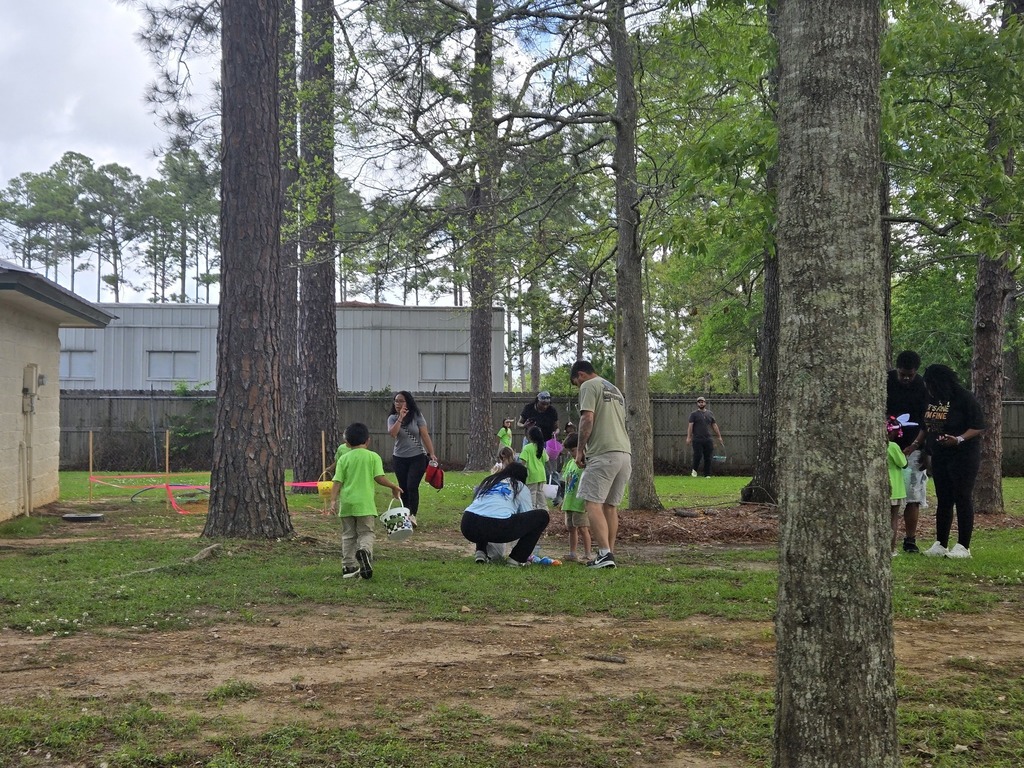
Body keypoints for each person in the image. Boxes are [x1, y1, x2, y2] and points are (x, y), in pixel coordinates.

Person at [569, 360, 631, 569]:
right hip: (624, 453)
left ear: (580, 375)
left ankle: (604, 554)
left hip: (603, 453)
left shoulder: (588, 386)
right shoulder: (614, 389)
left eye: (575, 382)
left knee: (591, 503)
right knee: (610, 507)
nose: (578, 386)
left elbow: (587, 418)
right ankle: (608, 553)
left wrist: (579, 450)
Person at [920, 364, 986, 559]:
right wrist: (923, 449)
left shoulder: (964, 397)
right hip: (940, 454)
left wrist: (958, 439)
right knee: (944, 499)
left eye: (931, 384)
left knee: (962, 497)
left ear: (941, 382)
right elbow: (927, 425)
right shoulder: (932, 399)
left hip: (963, 455)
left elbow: (978, 427)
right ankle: (941, 543)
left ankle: (963, 546)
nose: (929, 389)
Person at [330, 422, 402, 579]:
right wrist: (393, 486)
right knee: (366, 532)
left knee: (348, 535)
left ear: (347, 443)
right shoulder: (373, 457)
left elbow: (337, 481)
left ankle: (348, 566)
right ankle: (364, 551)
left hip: (347, 504)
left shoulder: (343, 458)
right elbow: (379, 478)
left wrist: (333, 501)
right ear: (368, 440)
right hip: (365, 505)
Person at [461, 463, 550, 568]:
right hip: (499, 526)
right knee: (542, 516)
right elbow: (527, 514)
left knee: (484, 512)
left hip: (468, 523)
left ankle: (481, 552)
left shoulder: (489, 481)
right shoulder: (520, 486)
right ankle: (517, 558)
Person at [886, 349, 929, 553]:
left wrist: (917, 446)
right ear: (897, 369)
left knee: (913, 496)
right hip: (887, 448)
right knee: (889, 496)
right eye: (902, 374)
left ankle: (910, 540)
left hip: (912, 448)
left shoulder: (921, 386)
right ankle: (885, 538)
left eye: (909, 375)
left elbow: (926, 421)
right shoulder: (885, 381)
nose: (905, 378)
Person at [387, 391, 438, 529]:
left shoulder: (417, 416)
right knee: (403, 487)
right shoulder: (392, 418)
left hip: (417, 457)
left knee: (412, 486)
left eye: (401, 401)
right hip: (399, 458)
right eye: (396, 401)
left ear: (408, 402)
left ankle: (412, 515)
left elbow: (425, 435)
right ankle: (405, 513)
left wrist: (431, 453)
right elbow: (393, 433)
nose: (398, 404)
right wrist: (400, 418)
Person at [557, 433, 591, 562]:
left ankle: (588, 553)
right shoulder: (571, 463)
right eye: (569, 451)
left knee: (583, 528)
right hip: (569, 502)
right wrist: (563, 500)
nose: (571, 453)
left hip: (580, 503)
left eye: (572, 450)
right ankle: (572, 553)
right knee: (571, 528)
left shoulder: (586, 464)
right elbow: (566, 483)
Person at [887, 416, 909, 558]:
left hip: (881, 489)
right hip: (895, 489)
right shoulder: (893, 447)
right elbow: (903, 464)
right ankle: (891, 549)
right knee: (893, 519)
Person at [686, 396, 725, 478]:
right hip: (697, 438)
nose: (701, 403)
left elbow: (714, 425)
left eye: (702, 402)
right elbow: (690, 426)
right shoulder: (693, 414)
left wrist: (719, 436)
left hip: (708, 439)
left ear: (705, 403)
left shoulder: (710, 414)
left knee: (708, 456)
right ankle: (694, 471)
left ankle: (707, 474)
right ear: (697, 404)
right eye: (699, 402)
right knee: (698, 455)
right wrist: (689, 437)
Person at [522, 425, 550, 509]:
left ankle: (532, 509)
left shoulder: (527, 448)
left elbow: (523, 461)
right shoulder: (542, 448)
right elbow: (546, 460)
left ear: (530, 436)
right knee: (540, 493)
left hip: (531, 474)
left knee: (532, 493)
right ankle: (544, 509)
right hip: (541, 474)